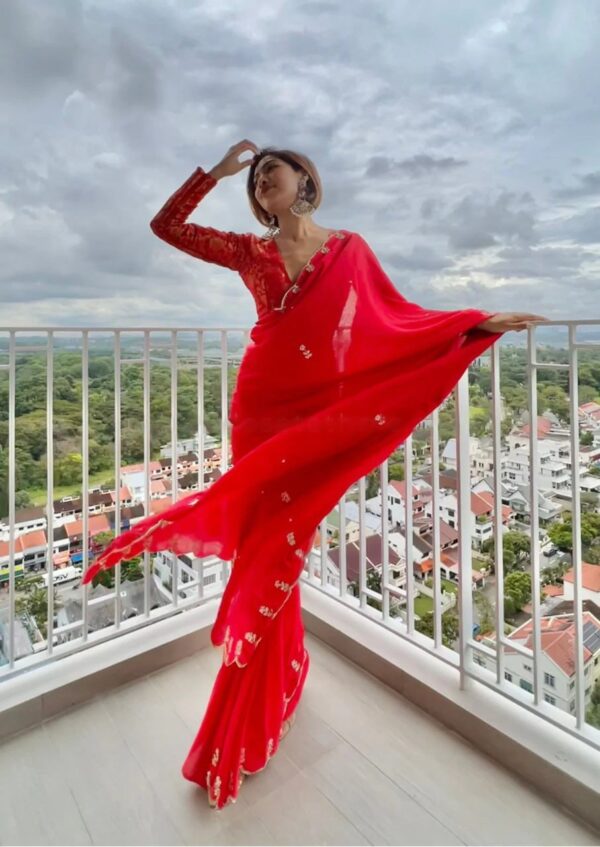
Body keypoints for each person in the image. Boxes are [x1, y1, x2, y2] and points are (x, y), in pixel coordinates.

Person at [80, 139, 548, 809]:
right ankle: (256, 703)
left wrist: (474, 324)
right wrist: (215, 174)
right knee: (267, 546)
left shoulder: (349, 250)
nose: (265, 178)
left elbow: (395, 321)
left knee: (283, 547)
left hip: (314, 422)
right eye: (259, 176)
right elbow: (167, 228)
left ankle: (273, 685)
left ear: (306, 179)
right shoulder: (250, 251)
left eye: (277, 169)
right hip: (260, 415)